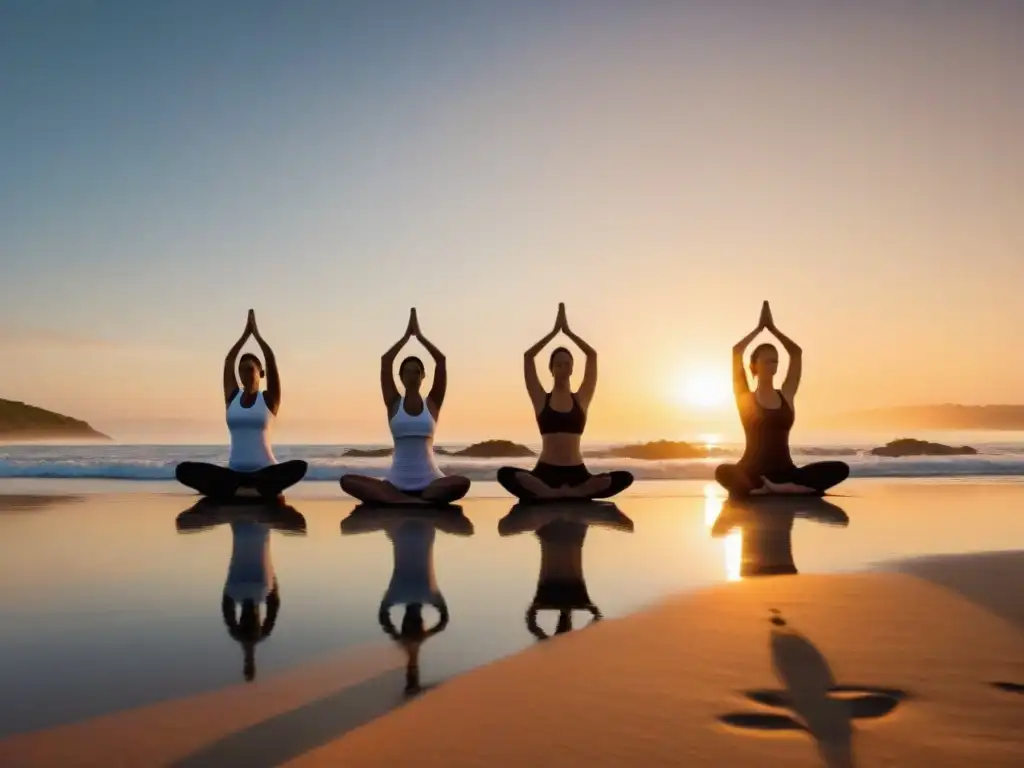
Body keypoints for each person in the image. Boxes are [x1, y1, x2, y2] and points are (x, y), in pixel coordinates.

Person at [497, 303, 633, 501]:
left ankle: (555, 494)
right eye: (558, 364)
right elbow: (528, 357)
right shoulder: (541, 399)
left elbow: (592, 356)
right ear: (551, 369)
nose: (563, 367)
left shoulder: (581, 399)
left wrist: (568, 331)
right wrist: (553, 332)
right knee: (505, 474)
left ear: (572, 369)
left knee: (624, 477)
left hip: (577, 473)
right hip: (545, 472)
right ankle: (561, 493)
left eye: (567, 364)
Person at [715, 301, 849, 497]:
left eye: (776, 360)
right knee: (722, 472)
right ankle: (767, 488)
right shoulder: (745, 398)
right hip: (751, 472)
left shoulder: (786, 394)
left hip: (786, 472)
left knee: (840, 468)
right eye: (768, 360)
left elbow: (796, 353)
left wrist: (773, 330)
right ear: (754, 366)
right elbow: (737, 352)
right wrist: (759, 329)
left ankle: (775, 489)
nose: (774, 365)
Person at [339, 308, 470, 505]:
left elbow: (441, 362)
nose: (412, 376)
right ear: (400, 377)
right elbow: (386, 361)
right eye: (407, 372)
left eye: (416, 372)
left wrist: (421, 336)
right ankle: (412, 501)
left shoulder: (432, 403)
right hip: (395, 483)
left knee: (462, 483)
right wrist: (405, 337)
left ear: (423, 376)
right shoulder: (393, 403)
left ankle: (401, 501)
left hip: (431, 482)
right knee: (347, 481)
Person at [175, 310, 308, 498]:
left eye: (249, 370)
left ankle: (251, 489)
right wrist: (245, 335)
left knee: (298, 467)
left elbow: (270, 361)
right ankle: (242, 488)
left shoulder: (269, 400)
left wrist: (257, 336)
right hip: (234, 473)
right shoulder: (233, 398)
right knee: (184, 470)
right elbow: (229, 361)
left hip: (265, 472)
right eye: (241, 371)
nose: (244, 374)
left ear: (260, 373)